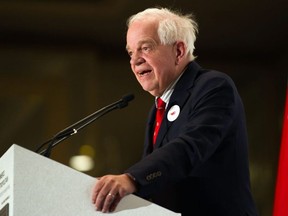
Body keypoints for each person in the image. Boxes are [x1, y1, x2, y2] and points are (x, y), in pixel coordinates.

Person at [91, 7, 258, 216]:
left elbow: (189, 147)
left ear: (178, 51)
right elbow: (162, 182)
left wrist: (131, 178)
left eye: (145, 48)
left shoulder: (214, 86)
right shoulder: (159, 108)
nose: (135, 61)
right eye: (131, 53)